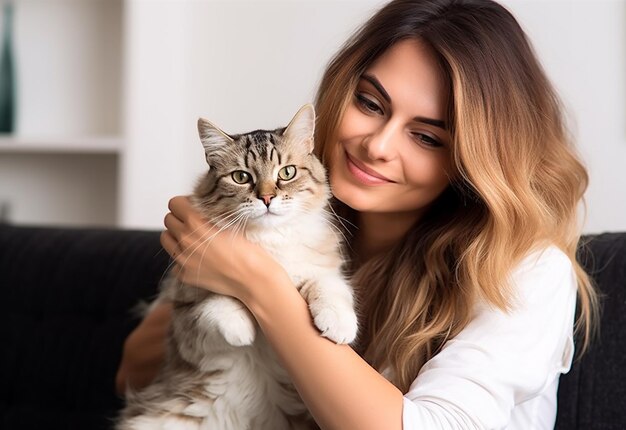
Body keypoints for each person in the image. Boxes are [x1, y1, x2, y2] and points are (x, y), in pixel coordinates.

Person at [115, 0, 599, 428]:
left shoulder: (525, 270)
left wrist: (259, 285)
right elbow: (133, 371)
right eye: (370, 103)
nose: (377, 146)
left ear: (474, 161)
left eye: (427, 137)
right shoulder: (283, 220)